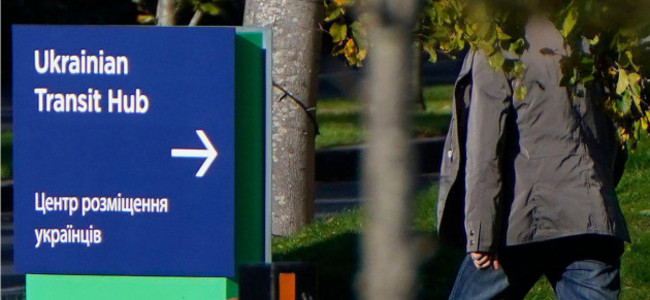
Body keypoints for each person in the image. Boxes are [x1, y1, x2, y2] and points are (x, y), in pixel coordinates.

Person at [436, 17, 630, 299]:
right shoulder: (592, 33)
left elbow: (484, 146)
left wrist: (481, 233)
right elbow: (614, 132)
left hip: (517, 221)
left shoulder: (499, 42)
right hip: (590, 215)